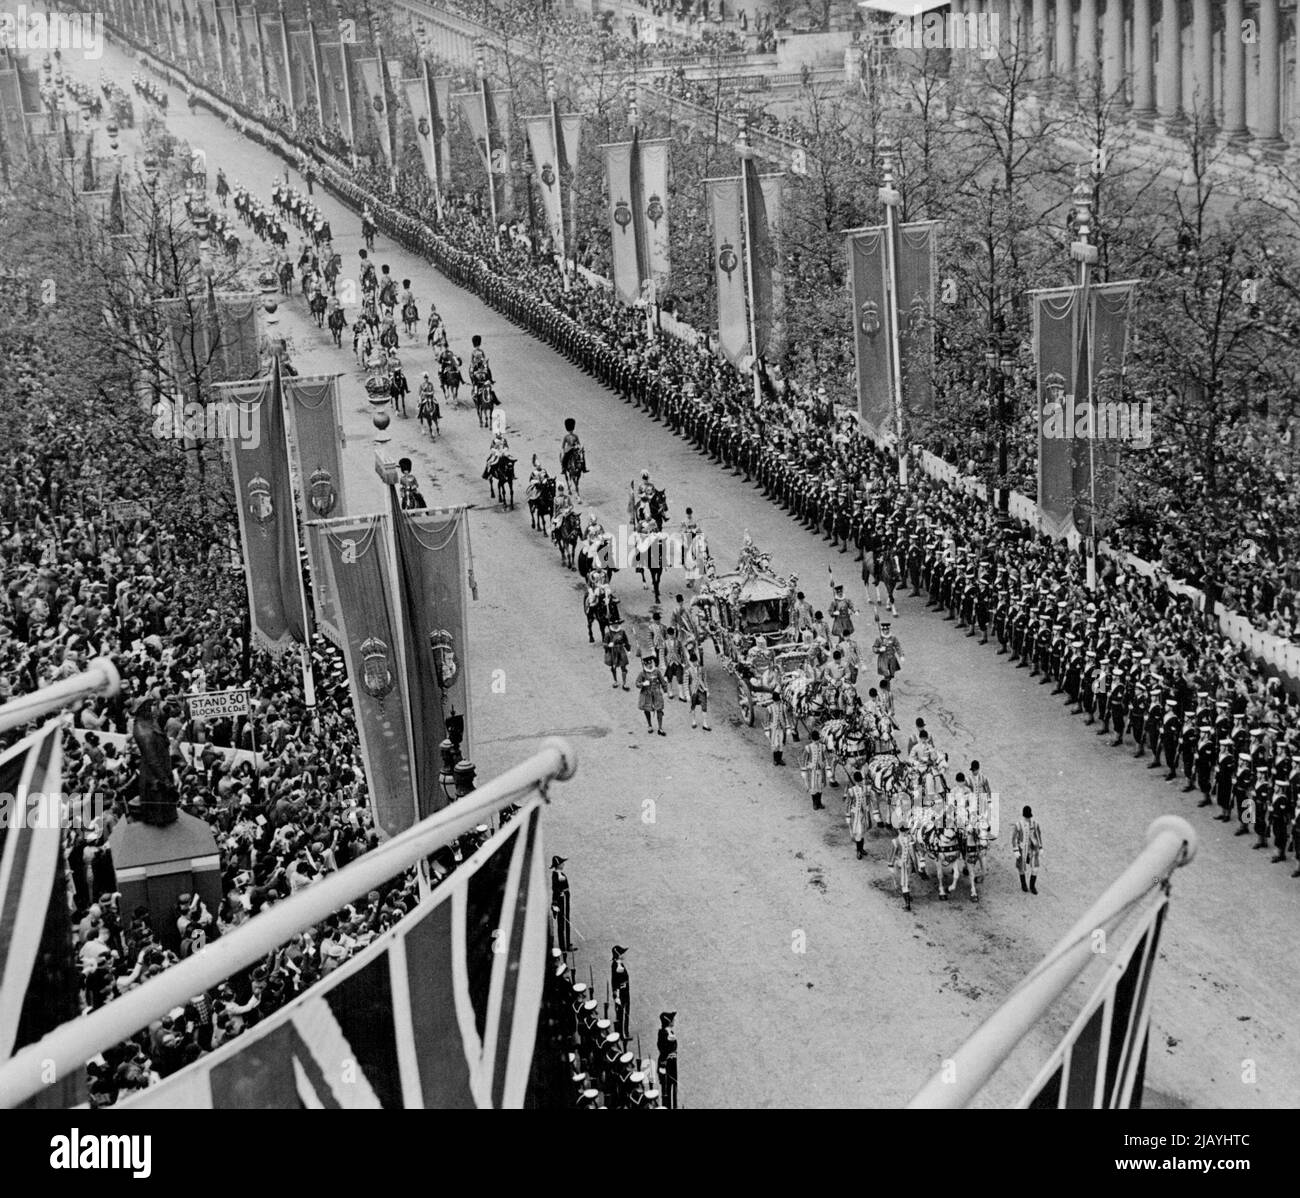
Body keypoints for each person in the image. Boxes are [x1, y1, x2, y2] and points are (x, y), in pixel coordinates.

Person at [1012, 804, 1043, 894]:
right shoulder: (1018, 825)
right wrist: (1016, 849)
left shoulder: (1035, 824)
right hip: (1022, 850)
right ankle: (1023, 884)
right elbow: (1014, 838)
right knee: (1021, 868)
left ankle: (1032, 886)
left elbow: (1038, 835)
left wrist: (1040, 847)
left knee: (1035, 868)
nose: (1028, 819)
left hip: (1033, 850)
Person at [887, 824, 918, 911]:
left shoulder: (896, 841)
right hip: (910, 864)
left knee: (904, 884)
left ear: (899, 830)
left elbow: (893, 854)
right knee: (907, 881)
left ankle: (907, 905)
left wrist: (890, 864)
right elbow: (916, 851)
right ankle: (908, 897)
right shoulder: (911, 839)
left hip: (902, 864)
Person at [635, 655, 666, 735]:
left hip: (656, 693)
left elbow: (662, 681)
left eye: (651, 663)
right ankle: (649, 725)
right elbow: (637, 684)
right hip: (646, 694)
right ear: (645, 664)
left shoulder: (657, 671)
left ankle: (660, 728)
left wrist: (665, 689)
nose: (650, 665)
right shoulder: (642, 673)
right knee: (647, 709)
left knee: (659, 709)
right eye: (648, 664)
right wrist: (643, 683)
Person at [801, 728, 827, 810]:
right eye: (815, 740)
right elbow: (803, 759)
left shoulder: (822, 747)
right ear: (812, 739)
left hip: (820, 770)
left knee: (820, 787)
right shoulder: (808, 747)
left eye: (817, 740)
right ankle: (814, 803)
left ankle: (819, 802)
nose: (816, 741)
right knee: (813, 787)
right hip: (812, 771)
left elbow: (825, 757)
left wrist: (824, 763)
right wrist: (804, 769)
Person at [657, 1011, 678, 1110]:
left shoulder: (670, 1032)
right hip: (666, 1065)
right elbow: (662, 1049)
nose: (674, 1021)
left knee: (673, 1087)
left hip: (672, 1065)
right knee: (666, 1091)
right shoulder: (663, 1034)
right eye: (672, 1020)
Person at [686, 646, 710, 731]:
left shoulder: (702, 669)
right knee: (692, 707)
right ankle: (693, 721)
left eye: (695, 661)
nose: (694, 663)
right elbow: (686, 683)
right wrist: (687, 694)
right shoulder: (688, 671)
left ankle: (705, 723)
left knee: (704, 706)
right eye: (692, 662)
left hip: (702, 690)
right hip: (693, 691)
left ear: (697, 661)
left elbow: (705, 680)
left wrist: (707, 690)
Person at [551, 855, 572, 953]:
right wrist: (555, 903)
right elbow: (555, 890)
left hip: (565, 899)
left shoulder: (561, 873)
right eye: (561, 863)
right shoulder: (555, 875)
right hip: (560, 900)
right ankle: (563, 946)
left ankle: (568, 944)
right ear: (558, 865)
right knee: (561, 922)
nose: (563, 864)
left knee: (566, 920)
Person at [604, 619, 631, 690]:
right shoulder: (608, 634)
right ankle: (615, 681)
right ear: (611, 625)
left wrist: (628, 649)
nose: (615, 625)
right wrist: (608, 645)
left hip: (621, 650)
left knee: (624, 667)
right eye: (613, 624)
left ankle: (624, 683)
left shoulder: (622, 632)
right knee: (613, 667)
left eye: (616, 624)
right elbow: (604, 644)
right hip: (613, 652)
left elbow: (626, 641)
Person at [610, 946, 630, 1040]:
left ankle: (625, 1032)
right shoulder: (615, 966)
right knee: (621, 1014)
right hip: (621, 993)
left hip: (625, 992)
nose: (624, 955)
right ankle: (621, 1034)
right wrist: (616, 996)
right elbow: (614, 982)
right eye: (622, 953)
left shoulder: (620, 964)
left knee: (626, 1013)